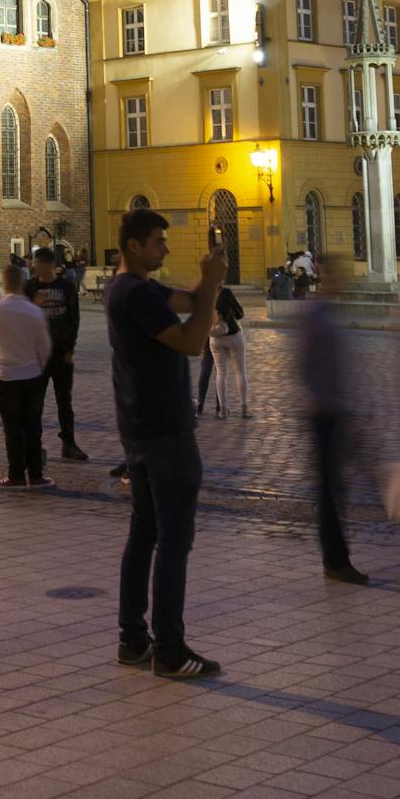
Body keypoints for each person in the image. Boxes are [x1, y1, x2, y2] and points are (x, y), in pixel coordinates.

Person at [104, 209, 224, 680]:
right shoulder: (135, 294)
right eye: (158, 241)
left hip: (138, 428)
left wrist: (208, 280)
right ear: (134, 246)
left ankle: (133, 640)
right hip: (165, 431)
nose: (166, 248)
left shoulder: (130, 289)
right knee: (173, 540)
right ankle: (169, 651)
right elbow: (194, 341)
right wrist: (210, 287)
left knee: (145, 533)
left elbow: (191, 301)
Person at [299, 261, 367, 585]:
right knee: (329, 490)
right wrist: (324, 400)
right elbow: (304, 366)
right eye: (335, 275)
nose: (341, 281)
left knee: (335, 488)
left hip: (336, 411)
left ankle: (338, 557)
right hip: (324, 414)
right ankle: (336, 560)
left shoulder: (328, 315)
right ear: (323, 278)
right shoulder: (316, 317)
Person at [0, 261, 54, 489]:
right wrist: (38, 366)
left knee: (12, 429)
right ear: (22, 282)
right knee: (33, 427)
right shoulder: (35, 312)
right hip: (31, 374)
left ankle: (16, 475)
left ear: (3, 283)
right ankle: (37, 475)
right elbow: (45, 347)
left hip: (5, 374)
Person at [26, 246, 87, 461]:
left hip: (61, 352)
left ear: (48, 264)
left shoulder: (66, 286)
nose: (33, 266)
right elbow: (23, 316)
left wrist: (71, 348)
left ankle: (68, 443)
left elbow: (74, 318)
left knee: (64, 400)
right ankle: (35, 444)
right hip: (37, 355)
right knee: (36, 402)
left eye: (36, 263)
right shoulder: (30, 287)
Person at [199, 274, 247, 418]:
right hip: (232, 334)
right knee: (240, 372)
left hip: (214, 337)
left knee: (220, 373)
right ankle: (244, 407)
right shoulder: (225, 292)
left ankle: (222, 409)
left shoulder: (203, 294)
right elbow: (240, 313)